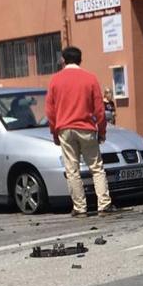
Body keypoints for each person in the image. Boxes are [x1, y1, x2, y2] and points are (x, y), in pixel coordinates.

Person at [45, 46, 117, 218]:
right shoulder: (90, 78)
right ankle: (104, 204)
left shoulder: (55, 80)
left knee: (72, 169)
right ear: (80, 60)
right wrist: (101, 131)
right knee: (96, 168)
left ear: (63, 60)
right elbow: (99, 110)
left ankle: (80, 207)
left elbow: (50, 111)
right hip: (86, 128)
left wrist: (54, 132)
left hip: (65, 129)